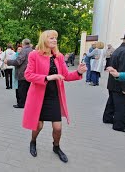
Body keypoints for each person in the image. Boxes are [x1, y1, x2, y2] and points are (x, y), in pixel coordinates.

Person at [23, 30, 87, 163]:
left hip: (54, 96)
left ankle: (56, 147)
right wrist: (47, 77)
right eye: (51, 38)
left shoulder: (59, 56)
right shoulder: (34, 55)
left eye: (55, 38)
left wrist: (78, 72)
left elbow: (66, 76)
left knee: (58, 127)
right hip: (38, 96)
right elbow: (28, 75)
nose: (54, 40)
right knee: (38, 126)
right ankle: (33, 142)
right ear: (44, 40)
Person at [5, 39, 33, 108]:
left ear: (23, 44)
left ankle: (21, 104)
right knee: (28, 89)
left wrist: (8, 62)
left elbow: (18, 61)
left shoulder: (24, 51)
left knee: (22, 90)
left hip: (22, 73)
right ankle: (28, 103)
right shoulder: (32, 50)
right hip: (30, 73)